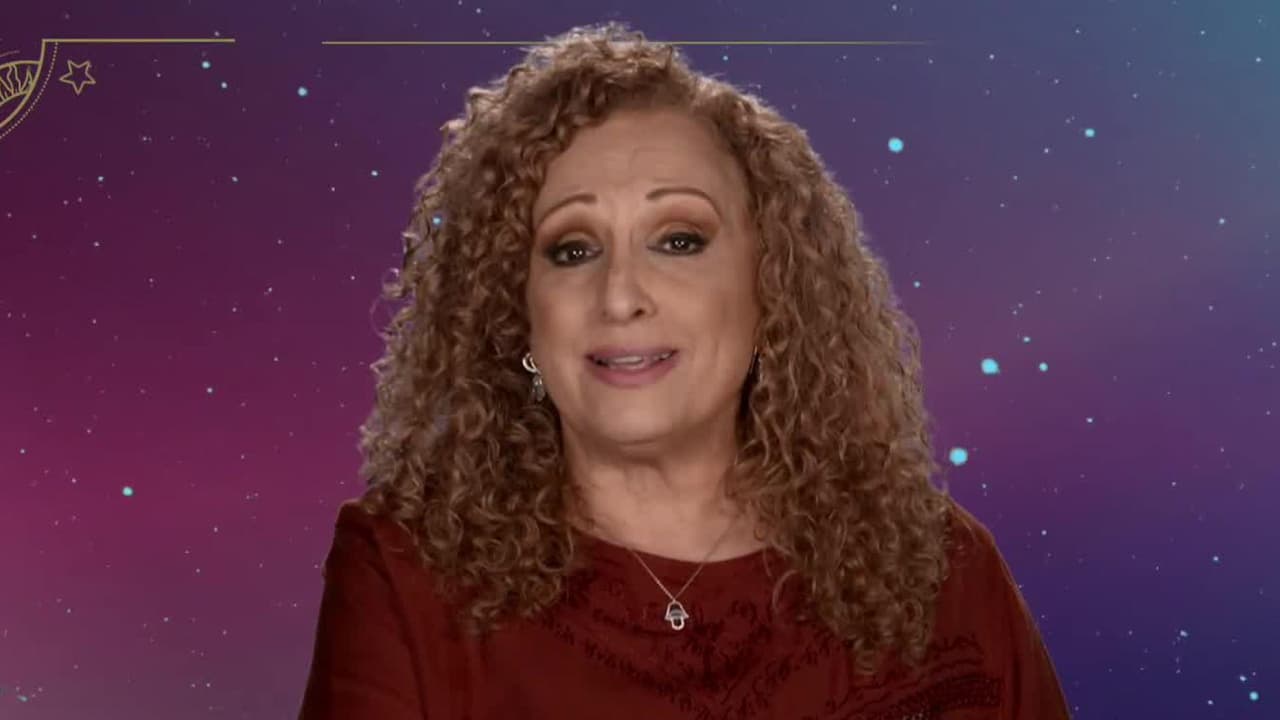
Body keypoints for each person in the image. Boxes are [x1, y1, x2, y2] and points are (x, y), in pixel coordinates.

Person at [297, 21, 1071, 720]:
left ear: (771, 287)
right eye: (572, 249)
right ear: (516, 312)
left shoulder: (939, 568)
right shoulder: (406, 574)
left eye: (679, 240)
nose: (620, 295)